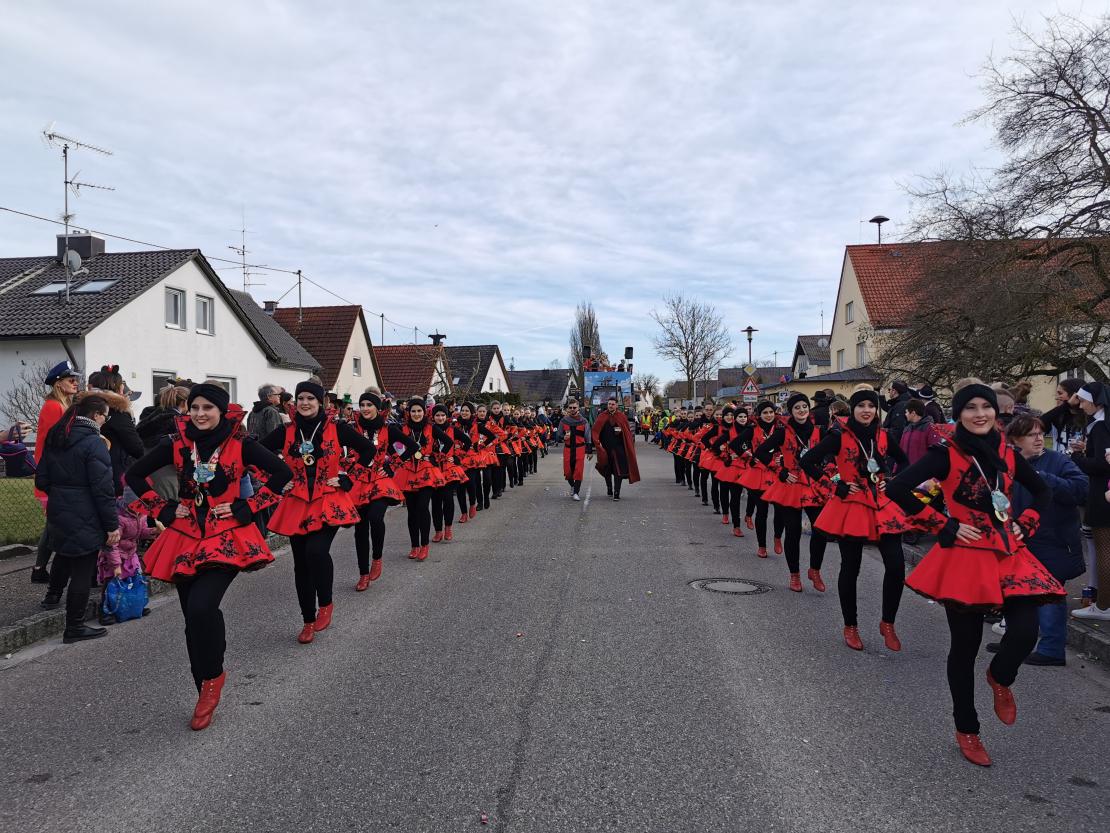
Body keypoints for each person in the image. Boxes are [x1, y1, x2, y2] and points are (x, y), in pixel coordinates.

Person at [888, 383, 1065, 767]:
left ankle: (1000, 676)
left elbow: (1043, 493)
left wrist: (1026, 523)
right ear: (959, 414)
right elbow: (897, 488)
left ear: (996, 413)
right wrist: (944, 524)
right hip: (966, 558)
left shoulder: (1006, 453)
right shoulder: (944, 454)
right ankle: (967, 728)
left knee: (1025, 631)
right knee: (964, 648)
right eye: (971, 407)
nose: (980, 413)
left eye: (986, 406)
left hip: (1008, 551)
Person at [127, 383, 292, 729]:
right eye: (195, 408)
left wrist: (247, 507)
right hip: (184, 535)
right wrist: (164, 510)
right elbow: (134, 475)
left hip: (226, 535)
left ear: (220, 411)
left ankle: (214, 676)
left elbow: (283, 474)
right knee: (192, 617)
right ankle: (202, 686)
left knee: (203, 607)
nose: (200, 414)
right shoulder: (176, 443)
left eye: (208, 408)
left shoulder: (241, 444)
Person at [261, 380, 374, 642]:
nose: (305, 403)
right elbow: (253, 456)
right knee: (301, 564)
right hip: (296, 502)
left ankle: (325, 602)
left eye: (310, 398)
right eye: (300, 398)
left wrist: (348, 478)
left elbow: (369, 450)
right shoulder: (286, 431)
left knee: (316, 551)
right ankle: (307, 620)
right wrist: (277, 481)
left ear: (320, 402)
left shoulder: (337, 428)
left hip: (328, 499)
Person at [801, 388, 910, 650]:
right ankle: (851, 625)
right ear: (853, 409)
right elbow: (808, 462)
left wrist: (891, 481)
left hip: (881, 505)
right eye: (861, 406)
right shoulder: (839, 435)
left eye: (871, 406)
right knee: (851, 566)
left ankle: (888, 622)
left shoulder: (883, 435)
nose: (866, 410)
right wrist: (834, 485)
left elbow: (905, 462)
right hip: (851, 505)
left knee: (896, 566)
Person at [983, 415, 1087, 664]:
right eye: (1032, 435)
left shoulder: (1058, 461)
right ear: (1015, 440)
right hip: (1021, 540)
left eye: (1041, 433)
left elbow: (1081, 490)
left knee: (1049, 595)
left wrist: (1043, 478)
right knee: (1017, 593)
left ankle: (1051, 650)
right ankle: (1014, 641)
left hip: (1055, 540)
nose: (1039, 439)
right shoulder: (1006, 463)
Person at [35, 395, 120, 643]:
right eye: (105, 416)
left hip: (59, 507)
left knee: (63, 554)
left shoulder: (57, 437)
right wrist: (111, 525)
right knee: (83, 567)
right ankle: (74, 626)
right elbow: (103, 489)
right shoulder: (94, 443)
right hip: (86, 510)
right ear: (96, 415)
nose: (105, 421)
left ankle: (52, 596)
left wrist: (62, 493)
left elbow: (42, 479)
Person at [755, 393, 829, 593]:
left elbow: (832, 455)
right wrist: (781, 471)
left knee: (821, 529)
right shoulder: (782, 432)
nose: (802, 410)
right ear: (791, 411)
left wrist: (828, 471)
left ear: (809, 409)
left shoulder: (820, 431)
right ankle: (794, 574)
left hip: (813, 485)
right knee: (793, 531)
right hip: (791, 484)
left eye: (804, 406)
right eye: (797, 407)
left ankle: (814, 569)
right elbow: (760, 452)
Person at [347, 391, 417, 589]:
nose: (365, 408)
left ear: (377, 408)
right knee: (360, 528)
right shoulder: (352, 428)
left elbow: (412, 446)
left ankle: (377, 558)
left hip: (380, 480)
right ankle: (363, 573)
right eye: (362, 405)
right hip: (359, 481)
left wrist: (392, 466)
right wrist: (347, 466)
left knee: (375, 517)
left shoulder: (388, 429)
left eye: (369, 405)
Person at [29, 361, 80, 584]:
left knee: (54, 524)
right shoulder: (53, 407)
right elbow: (55, 442)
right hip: (52, 474)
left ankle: (40, 569)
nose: (76, 383)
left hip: (56, 472)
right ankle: (40, 569)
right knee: (54, 524)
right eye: (71, 380)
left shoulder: (62, 405)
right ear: (59, 384)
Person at [1067, 381, 1110, 621]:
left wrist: (1077, 457)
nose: (1081, 406)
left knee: (1104, 551)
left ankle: (1103, 606)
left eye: (1083, 401)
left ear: (1096, 402)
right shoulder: (1104, 423)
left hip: (1102, 494)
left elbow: (1101, 465)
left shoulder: (1101, 426)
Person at [392, 398, 449, 560]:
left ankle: (424, 545)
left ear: (424, 412)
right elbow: (391, 446)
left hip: (427, 471)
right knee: (411, 510)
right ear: (408, 413)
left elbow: (448, 442)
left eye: (419, 411)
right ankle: (414, 545)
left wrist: (436, 458)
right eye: (413, 411)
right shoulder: (402, 428)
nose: (416, 414)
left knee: (423, 507)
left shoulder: (431, 428)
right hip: (408, 471)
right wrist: (400, 459)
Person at [96, 493, 158, 625]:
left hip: (130, 552)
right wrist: (116, 565)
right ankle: (105, 611)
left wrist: (153, 531)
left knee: (135, 578)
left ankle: (133, 604)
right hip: (114, 553)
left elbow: (141, 532)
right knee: (111, 582)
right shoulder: (118, 518)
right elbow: (112, 543)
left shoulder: (141, 514)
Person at [85, 367, 145, 496]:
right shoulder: (118, 413)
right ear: (117, 389)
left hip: (88, 473)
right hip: (114, 474)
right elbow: (137, 448)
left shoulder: (83, 408)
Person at [431, 404, 471, 542]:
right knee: (436, 501)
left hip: (449, 468)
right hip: (434, 468)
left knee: (447, 498)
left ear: (446, 416)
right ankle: (438, 531)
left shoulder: (452, 430)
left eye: (443, 415)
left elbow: (468, 442)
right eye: (437, 415)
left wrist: (458, 457)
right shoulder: (429, 430)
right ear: (433, 417)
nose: (440, 418)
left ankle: (448, 528)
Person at [592, 397, 640, 500]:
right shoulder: (602, 416)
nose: (611, 406)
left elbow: (627, 433)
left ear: (617, 405)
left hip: (618, 449)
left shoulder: (621, 416)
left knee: (618, 471)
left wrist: (621, 432)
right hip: (606, 449)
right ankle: (609, 488)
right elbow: (595, 431)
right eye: (609, 404)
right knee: (607, 470)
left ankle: (616, 492)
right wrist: (597, 445)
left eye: (613, 404)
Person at [556, 398, 593, 500]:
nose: (572, 409)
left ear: (578, 408)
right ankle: (572, 485)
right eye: (570, 407)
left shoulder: (584, 421)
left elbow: (588, 436)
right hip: (568, 449)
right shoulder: (564, 421)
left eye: (574, 407)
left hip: (579, 448)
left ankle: (576, 492)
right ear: (568, 408)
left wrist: (589, 451)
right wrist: (563, 437)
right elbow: (558, 435)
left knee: (578, 471)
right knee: (568, 472)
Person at [899, 398, 942, 468]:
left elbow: (936, 453)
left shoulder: (930, 428)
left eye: (906, 412)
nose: (905, 414)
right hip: (905, 471)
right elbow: (900, 452)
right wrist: (896, 469)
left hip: (922, 471)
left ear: (913, 413)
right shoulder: (906, 429)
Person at [881, 381, 913, 447]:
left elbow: (897, 430)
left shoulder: (900, 405)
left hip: (896, 445)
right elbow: (889, 409)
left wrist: (883, 430)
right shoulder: (900, 402)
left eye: (889, 390)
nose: (889, 392)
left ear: (894, 391)